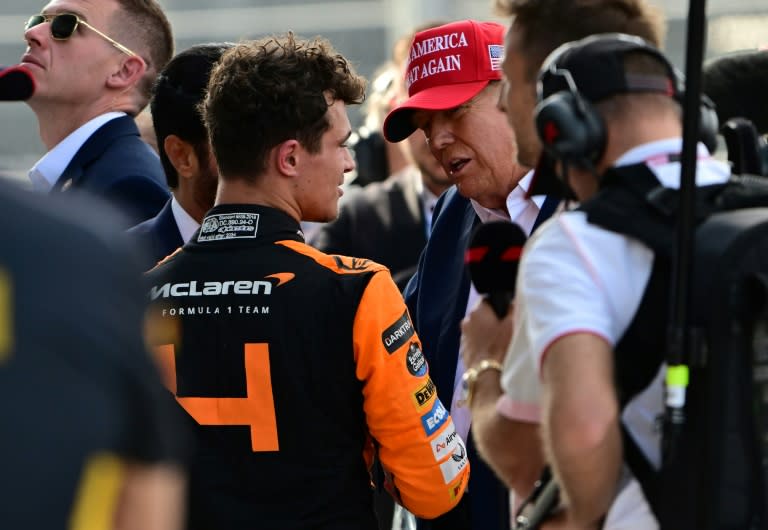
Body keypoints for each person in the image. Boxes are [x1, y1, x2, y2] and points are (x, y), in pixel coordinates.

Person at [143, 34, 469, 530]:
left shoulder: (135, 295)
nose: (349, 164)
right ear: (290, 158)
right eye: (340, 144)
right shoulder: (357, 292)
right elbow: (434, 488)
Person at [501, 33, 729, 527]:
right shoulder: (758, 202)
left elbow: (584, 431)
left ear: (566, 131)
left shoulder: (575, 243)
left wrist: (582, 519)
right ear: (698, 120)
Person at [459, 0, 665, 505]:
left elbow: (534, 459)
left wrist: (485, 366)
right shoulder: (745, 203)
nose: (504, 104)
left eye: (509, 82)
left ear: (556, 104)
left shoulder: (569, 244)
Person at [381, 19, 560, 530]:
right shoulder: (455, 215)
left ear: (515, 98)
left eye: (455, 109)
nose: (436, 138)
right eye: (423, 123)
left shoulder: (584, 206)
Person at [0, 63, 188, 530]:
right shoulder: (82, 241)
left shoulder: (103, 217)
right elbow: (146, 484)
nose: (37, 36)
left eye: (65, 26)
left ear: (126, 68)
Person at [311, 27, 452, 291]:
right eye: (420, 114)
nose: (439, 134)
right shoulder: (355, 220)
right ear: (394, 109)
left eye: (452, 110)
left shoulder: (515, 208)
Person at [20, 0, 174, 226]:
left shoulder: (130, 187)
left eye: (66, 24)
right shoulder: (97, 173)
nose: (32, 33)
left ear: (124, 71)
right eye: (38, 20)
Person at [128, 43, 232, 270]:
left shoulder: (312, 268)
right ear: (181, 156)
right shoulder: (116, 266)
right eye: (242, 145)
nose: (269, 165)